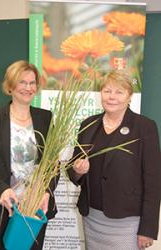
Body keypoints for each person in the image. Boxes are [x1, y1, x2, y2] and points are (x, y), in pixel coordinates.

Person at [68, 69, 161, 250]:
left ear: (129, 97)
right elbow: (73, 170)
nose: (112, 97)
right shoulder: (88, 125)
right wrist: (77, 171)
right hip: (92, 217)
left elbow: (153, 181)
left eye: (119, 92)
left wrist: (147, 229)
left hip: (128, 221)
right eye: (107, 91)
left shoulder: (144, 127)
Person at [0, 60, 58, 250]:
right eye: (22, 82)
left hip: (35, 210)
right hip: (2, 210)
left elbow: (53, 164)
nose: (28, 88)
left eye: (32, 83)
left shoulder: (46, 119)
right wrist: (1, 189)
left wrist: (46, 191)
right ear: (10, 86)